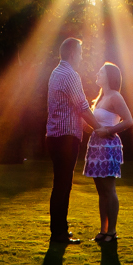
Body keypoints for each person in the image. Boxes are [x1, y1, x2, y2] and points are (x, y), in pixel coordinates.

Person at [45, 38, 92, 245]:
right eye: (80, 53)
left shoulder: (56, 73)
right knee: (62, 186)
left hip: (55, 137)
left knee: (62, 184)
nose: (81, 57)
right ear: (73, 54)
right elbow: (82, 107)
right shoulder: (71, 75)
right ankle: (58, 234)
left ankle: (61, 230)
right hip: (66, 139)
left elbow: (71, 108)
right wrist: (100, 128)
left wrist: (89, 127)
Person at [83, 63, 133, 245]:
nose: (97, 73)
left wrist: (109, 130)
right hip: (96, 147)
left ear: (109, 76)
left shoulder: (115, 96)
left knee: (109, 189)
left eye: (101, 72)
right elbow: (96, 126)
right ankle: (103, 230)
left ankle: (112, 231)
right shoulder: (101, 97)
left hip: (109, 148)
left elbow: (129, 120)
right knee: (101, 191)